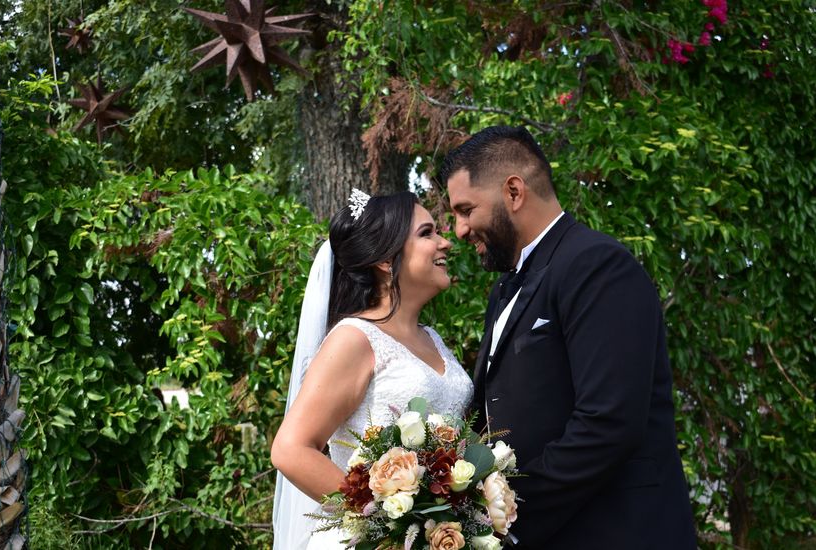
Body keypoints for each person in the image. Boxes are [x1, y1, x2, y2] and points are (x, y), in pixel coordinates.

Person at [441, 126, 697, 548]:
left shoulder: (597, 266)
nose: (460, 229)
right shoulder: (505, 288)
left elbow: (607, 423)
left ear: (514, 192)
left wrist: (506, 517)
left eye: (466, 209)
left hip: (612, 531)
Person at [270, 190, 474, 550]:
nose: (445, 242)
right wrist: (383, 524)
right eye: (426, 233)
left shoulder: (433, 339)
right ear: (385, 259)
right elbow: (290, 449)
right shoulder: (354, 339)